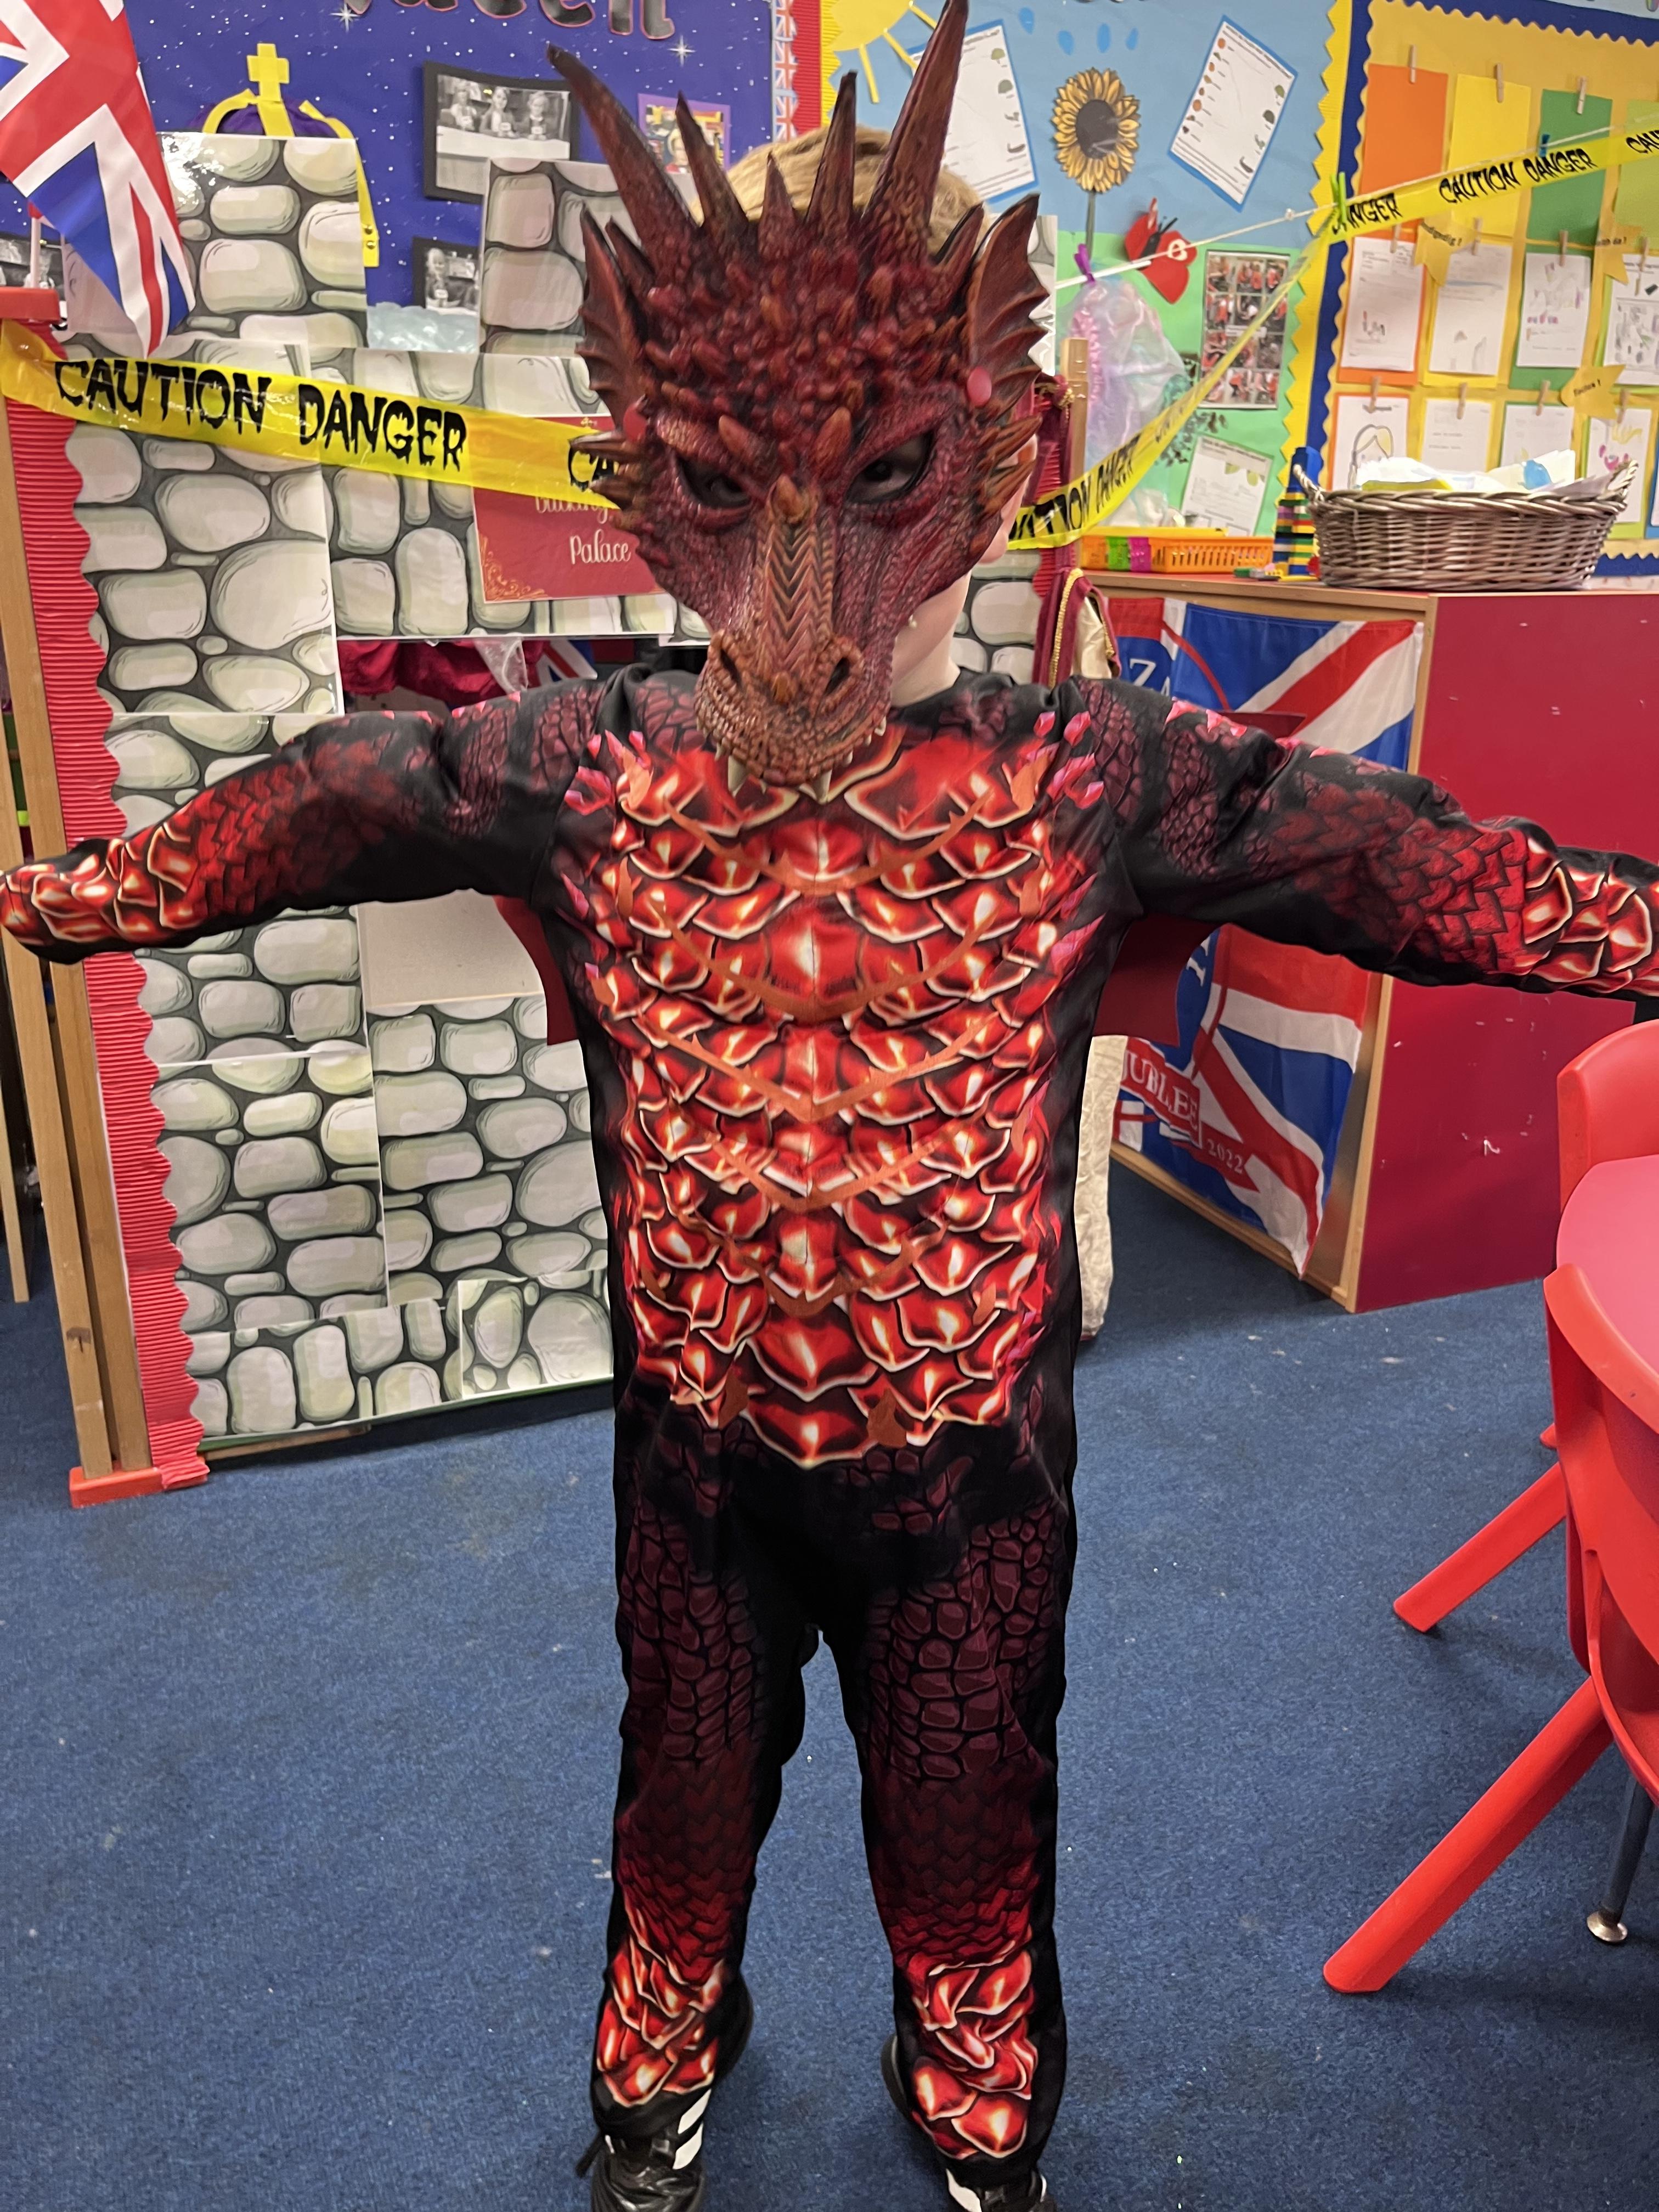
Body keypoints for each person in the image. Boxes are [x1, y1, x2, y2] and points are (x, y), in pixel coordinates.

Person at [5, 7, 1659, 2208]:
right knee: (681, 1795)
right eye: (722, 490)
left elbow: (1410, 870)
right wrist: (91, 889)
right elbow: (331, 802)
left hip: (968, 1470)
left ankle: (965, 2062)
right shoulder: (581, 765)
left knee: (966, 1814)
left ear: (998, 454)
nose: (802, 618)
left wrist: (1633, 930)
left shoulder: (1094, 777)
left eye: (881, 480)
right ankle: (665, 2040)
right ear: (642, 478)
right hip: (698, 1454)